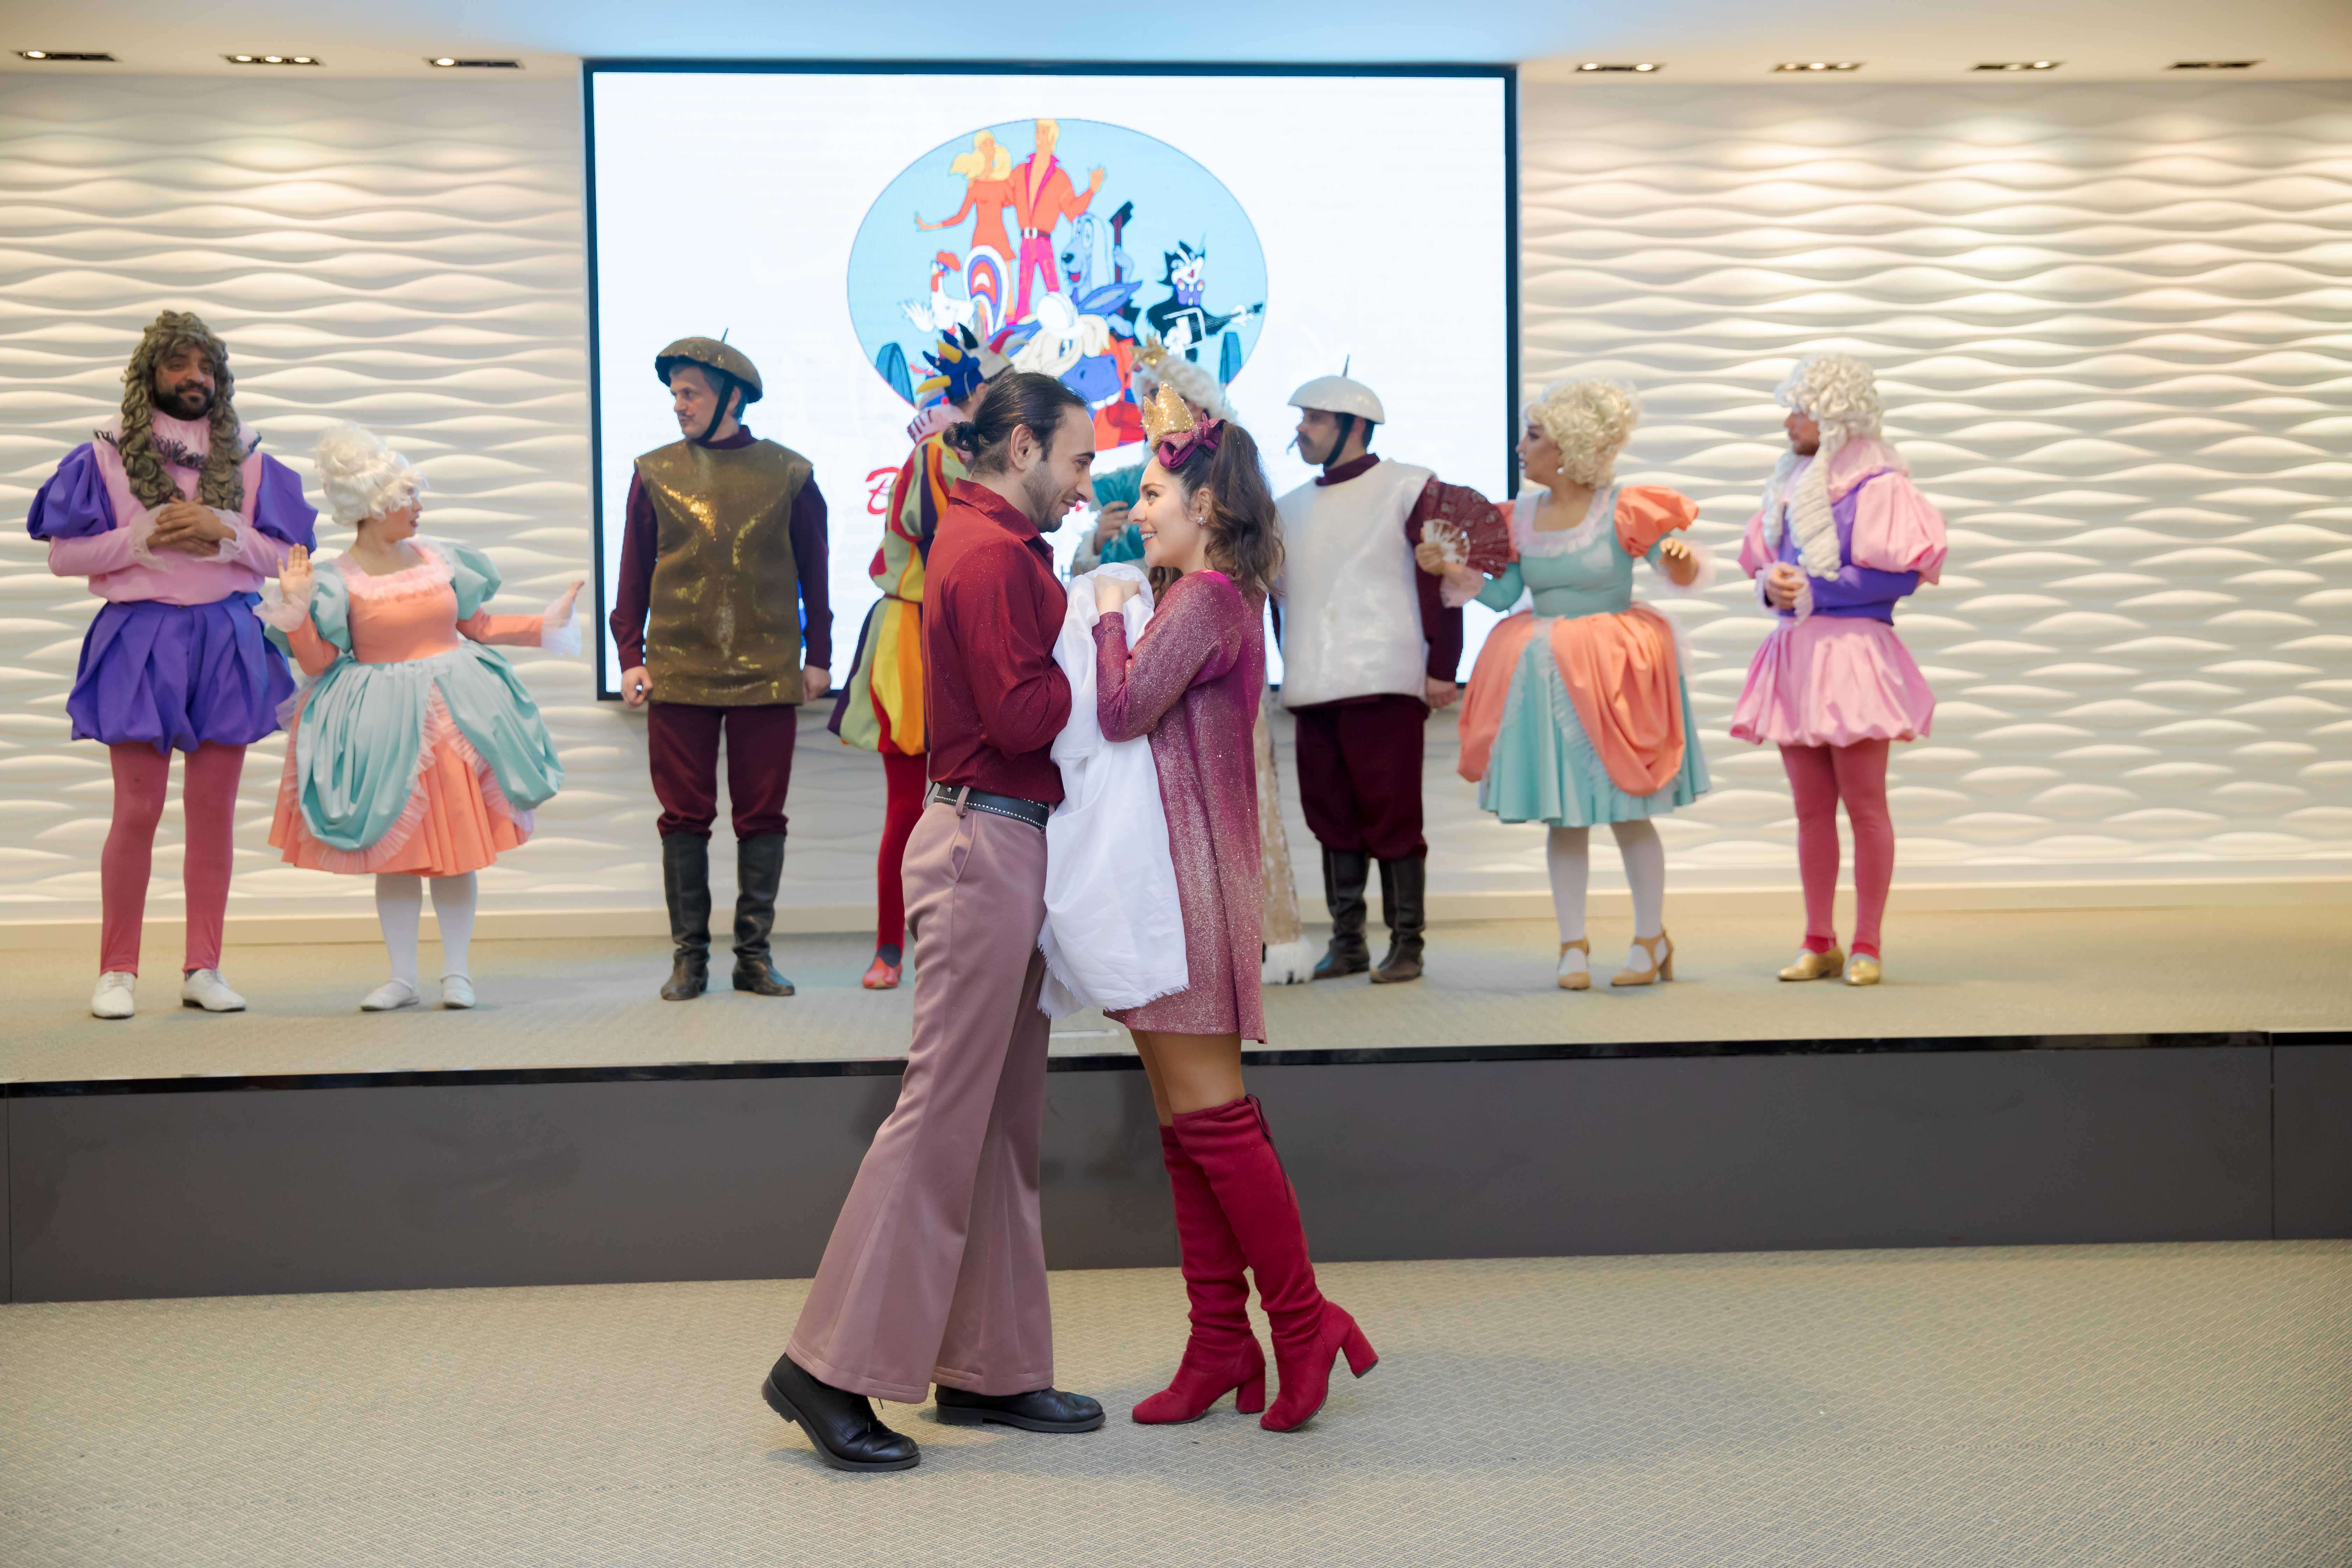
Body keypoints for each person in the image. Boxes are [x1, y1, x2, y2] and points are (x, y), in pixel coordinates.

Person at [764, 372, 1105, 1472]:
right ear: (1022, 446)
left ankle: (988, 1364)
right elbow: (1022, 715)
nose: (1086, 483)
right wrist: (1107, 643)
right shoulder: (994, 553)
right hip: (982, 842)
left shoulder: (985, 540)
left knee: (998, 1116)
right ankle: (823, 1368)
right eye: (1079, 459)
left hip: (1000, 837)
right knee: (942, 1114)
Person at [1093, 384, 1378, 1432]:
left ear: (1205, 505)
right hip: (1171, 882)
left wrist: (1108, 612)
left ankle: (1302, 1323)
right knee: (1187, 1127)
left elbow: (1122, 709)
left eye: (1153, 494)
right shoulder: (1204, 597)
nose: (1138, 511)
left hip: (1189, 887)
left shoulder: (1207, 600)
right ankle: (1220, 1339)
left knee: (1213, 1121)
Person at [26, 310, 317, 1020]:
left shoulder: (250, 455)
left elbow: (290, 561)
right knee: (137, 810)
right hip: (140, 636)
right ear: (149, 373)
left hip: (226, 636)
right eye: (179, 364)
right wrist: (143, 535)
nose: (195, 378)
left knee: (213, 813)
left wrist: (227, 531)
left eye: (206, 367)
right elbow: (63, 556)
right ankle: (117, 971)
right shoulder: (103, 453)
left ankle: (204, 967)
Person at [257, 426, 576, 1010]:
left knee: (456, 851)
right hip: (383, 728)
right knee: (396, 858)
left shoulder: (439, 559)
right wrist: (297, 610)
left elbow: (478, 627)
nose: (418, 505)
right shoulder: (336, 579)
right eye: (408, 496)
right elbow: (320, 663)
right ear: (374, 506)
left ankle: (458, 974)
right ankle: (403, 978)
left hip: (456, 721)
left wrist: (545, 625)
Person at [1432, 382, 1710, 990]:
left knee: (1630, 811)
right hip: (1548, 676)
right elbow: (1506, 596)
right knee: (1566, 818)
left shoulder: (1624, 509)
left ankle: (1650, 938)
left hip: (1614, 674)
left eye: (1533, 436)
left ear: (1570, 448)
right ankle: (1572, 946)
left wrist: (1680, 558)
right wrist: (1453, 570)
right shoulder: (1519, 517)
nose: (1520, 447)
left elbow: (1675, 568)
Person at [609, 337, 830, 1002]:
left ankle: (753, 959)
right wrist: (630, 655)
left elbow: (815, 571)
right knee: (683, 818)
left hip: (767, 670)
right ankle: (691, 960)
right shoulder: (654, 472)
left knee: (762, 817)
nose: (678, 405)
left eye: (691, 393)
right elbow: (632, 572)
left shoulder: (790, 473)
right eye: (674, 393)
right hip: (679, 668)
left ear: (731, 398)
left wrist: (819, 655)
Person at [1275, 372, 1499, 985]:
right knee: (1330, 817)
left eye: (1316, 418)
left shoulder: (1409, 487)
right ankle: (1348, 942)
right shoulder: (1288, 507)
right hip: (1312, 681)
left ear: (1355, 425)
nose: (1302, 429)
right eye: (1303, 417)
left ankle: (1407, 944)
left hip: (1385, 677)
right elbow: (1280, 601)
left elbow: (1440, 582)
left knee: (1394, 816)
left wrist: (1442, 667)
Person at [1732, 354, 1946, 987]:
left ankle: (1867, 944)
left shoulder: (1879, 485)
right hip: (1797, 653)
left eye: (1800, 411)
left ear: (1833, 418)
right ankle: (1818, 940)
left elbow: (1898, 577)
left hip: (1853, 656)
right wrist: (1772, 585)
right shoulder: (1789, 483)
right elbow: (1764, 564)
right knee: (1810, 811)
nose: (1789, 424)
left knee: (1865, 804)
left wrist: (1816, 589)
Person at [831, 327, 1010, 990]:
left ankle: (948, 945)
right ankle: (891, 946)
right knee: (910, 807)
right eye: (1003, 387)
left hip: (954, 633)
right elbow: (953, 549)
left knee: (969, 808)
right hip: (918, 636)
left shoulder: (966, 451)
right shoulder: (941, 454)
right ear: (977, 391)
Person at [1007, 119, 1106, 326]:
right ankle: (1019, 330)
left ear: (1053, 138)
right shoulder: (1020, 172)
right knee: (1023, 291)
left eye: (1044, 132)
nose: (1039, 136)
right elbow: (1005, 196)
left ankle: (1064, 325)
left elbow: (1072, 212)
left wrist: (1091, 191)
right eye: (1038, 131)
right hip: (1026, 241)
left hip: (1044, 241)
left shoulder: (1060, 178)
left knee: (1053, 288)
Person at [916, 130, 1016, 263]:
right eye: (986, 144)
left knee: (1005, 274)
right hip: (981, 240)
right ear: (979, 149)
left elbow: (1018, 203)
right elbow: (960, 217)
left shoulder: (1003, 182)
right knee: (979, 274)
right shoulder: (975, 186)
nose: (991, 147)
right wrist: (930, 227)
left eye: (992, 143)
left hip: (1000, 237)